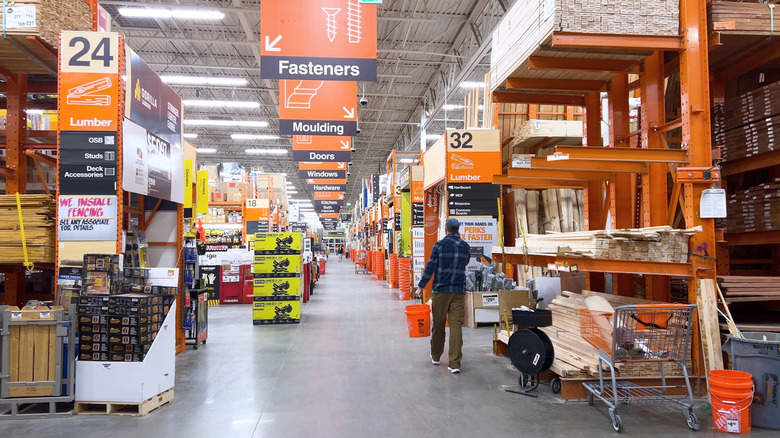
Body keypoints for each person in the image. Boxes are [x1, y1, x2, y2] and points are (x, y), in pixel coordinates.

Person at [414, 218, 471, 374]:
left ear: (446, 229)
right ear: (458, 230)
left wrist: (421, 286)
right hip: (458, 291)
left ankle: (436, 355)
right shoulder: (465, 247)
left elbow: (430, 267)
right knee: (456, 326)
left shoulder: (439, 245)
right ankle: (455, 364)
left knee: (439, 324)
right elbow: (465, 264)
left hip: (440, 291)